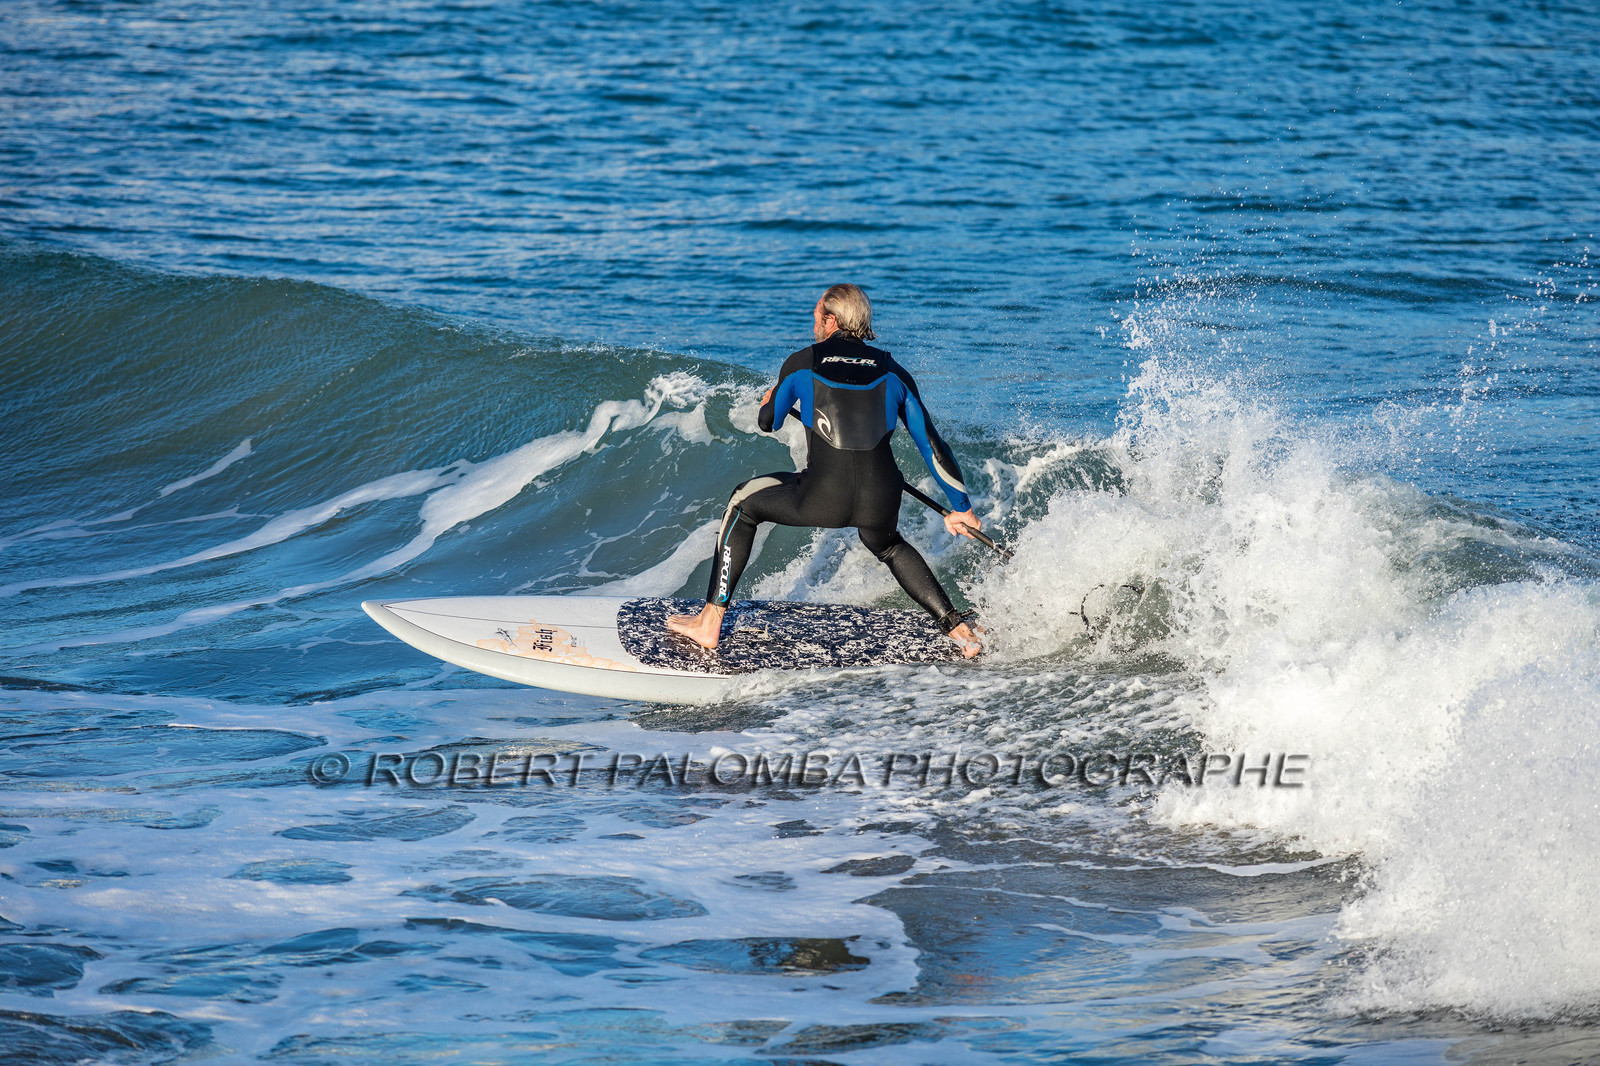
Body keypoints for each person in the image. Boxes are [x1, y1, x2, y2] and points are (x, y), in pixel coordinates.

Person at [666, 284, 986, 657]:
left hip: (823, 497)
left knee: (742, 503)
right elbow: (932, 445)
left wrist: (771, 397)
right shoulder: (893, 370)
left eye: (816, 314)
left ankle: (709, 621)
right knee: (888, 545)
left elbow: (768, 422)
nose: (813, 321)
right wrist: (961, 507)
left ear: (830, 320)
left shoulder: (804, 361)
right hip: (880, 498)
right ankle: (958, 630)